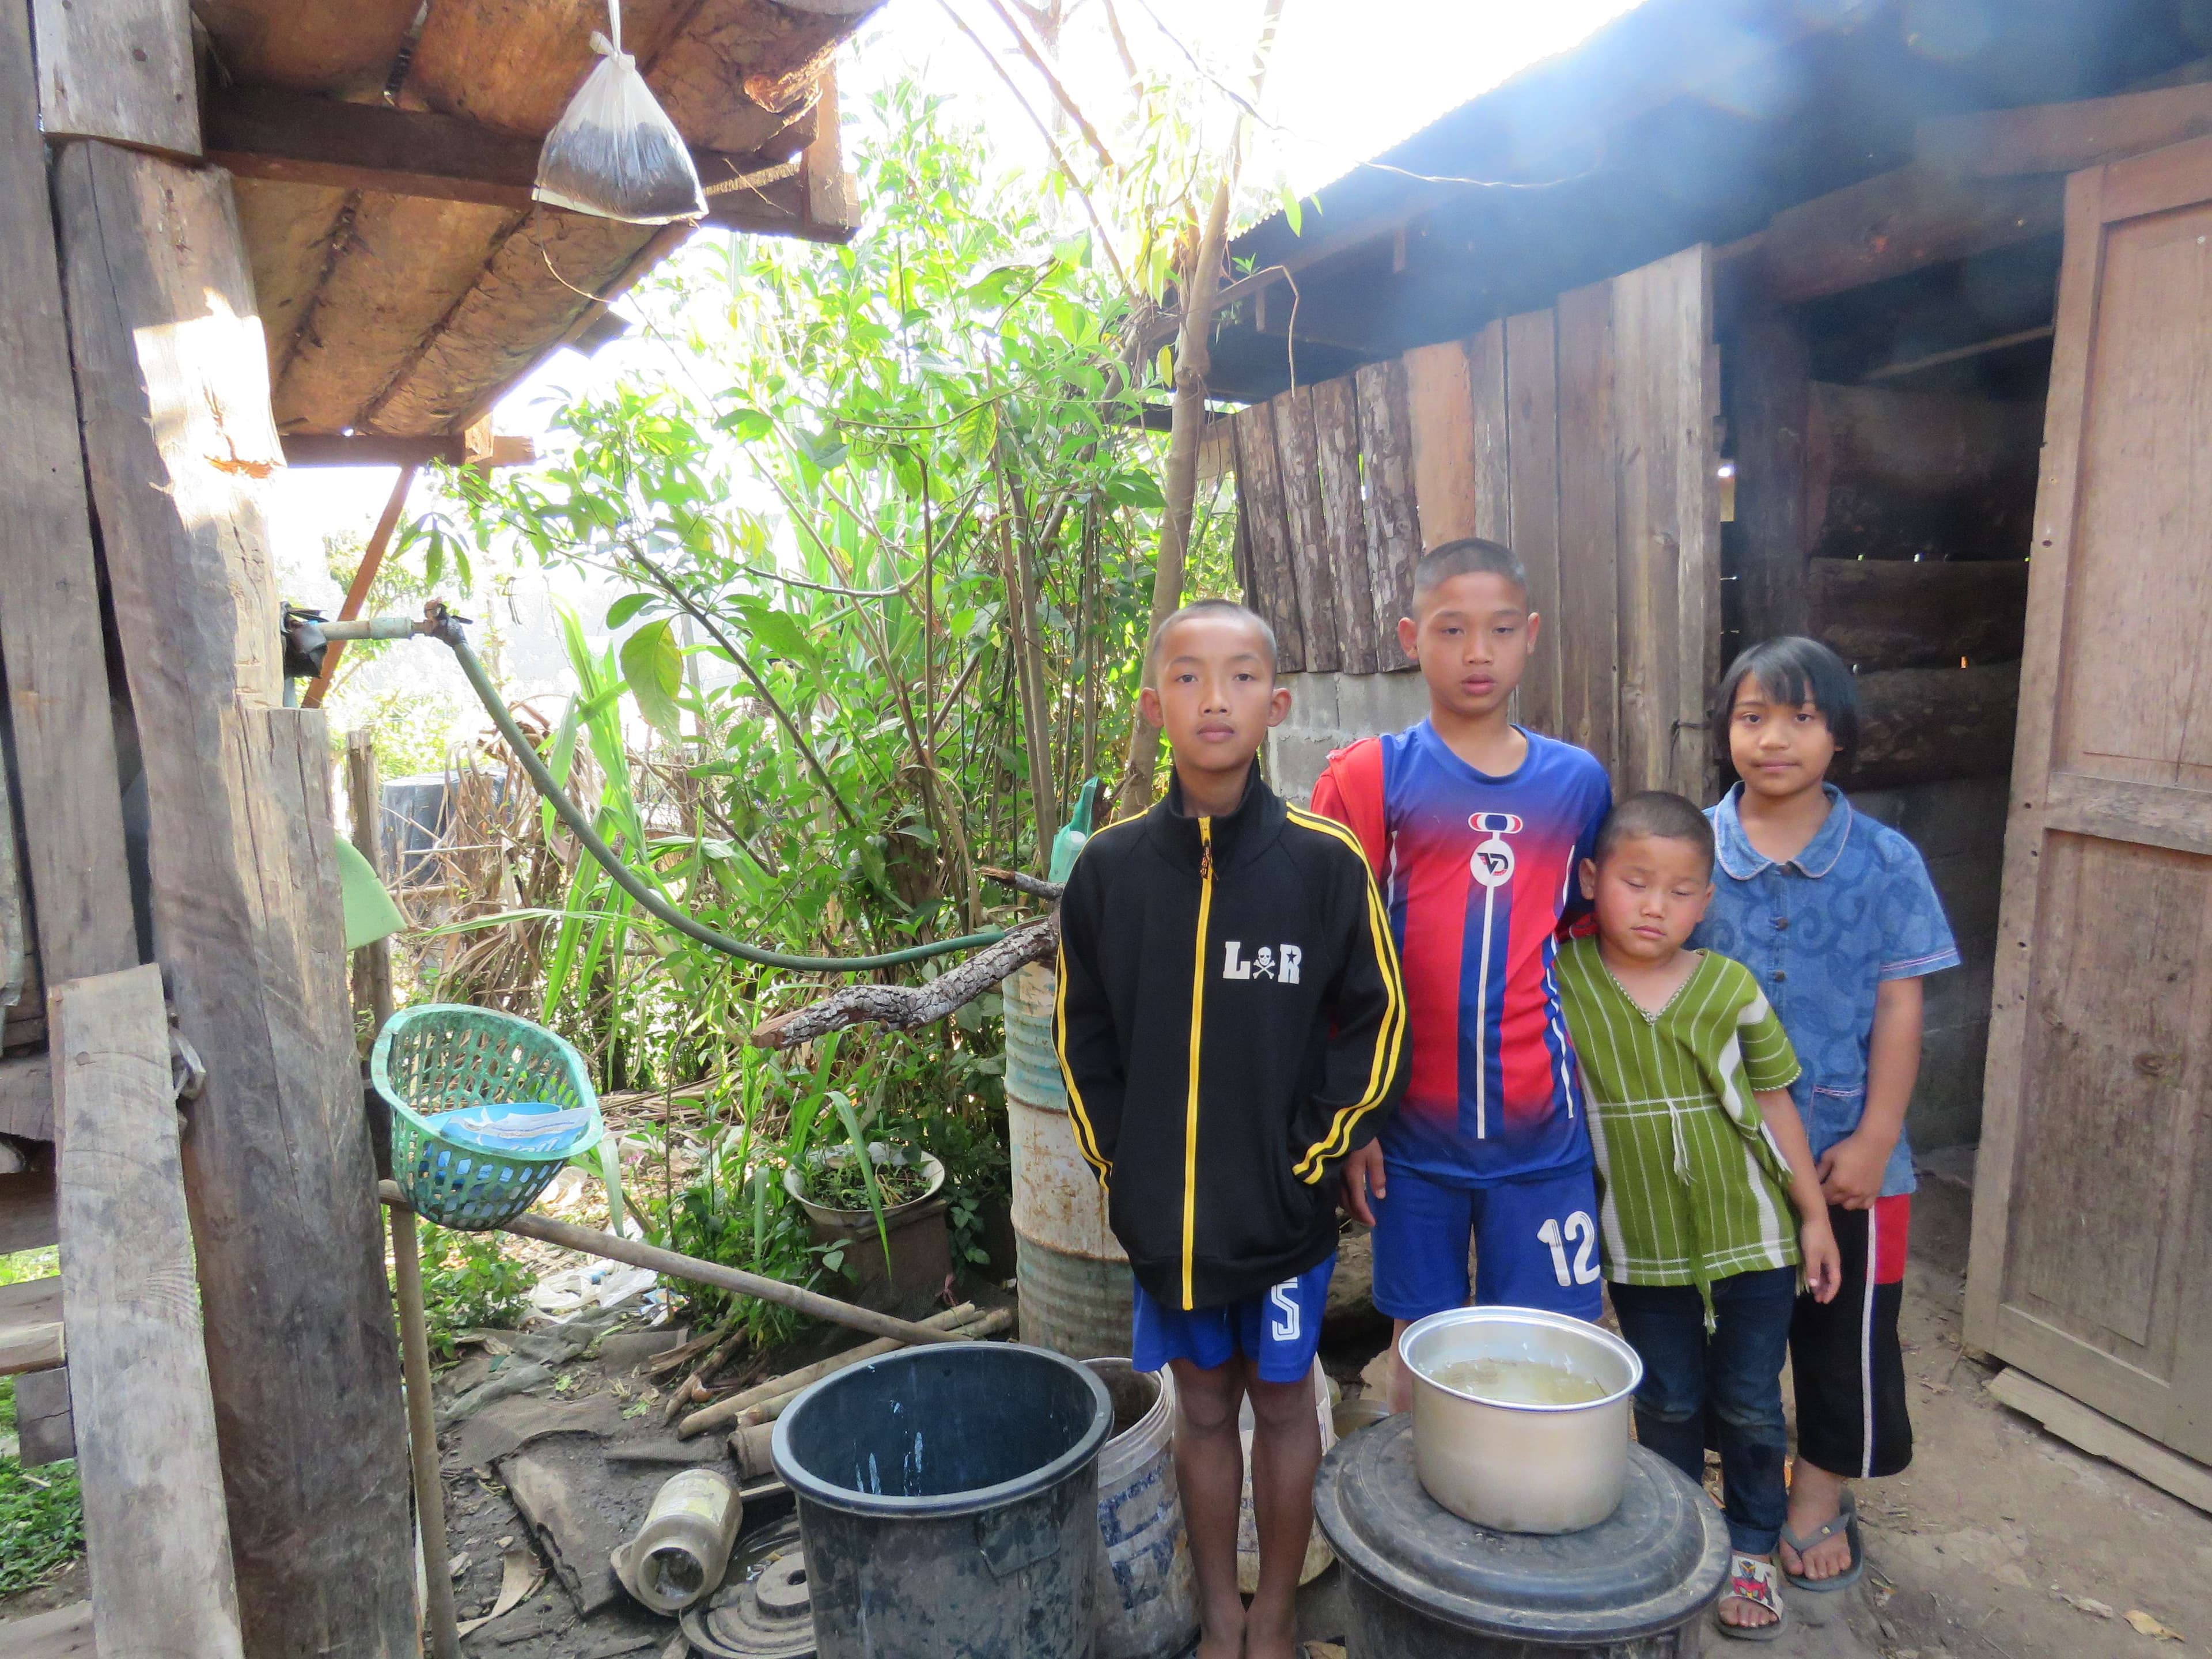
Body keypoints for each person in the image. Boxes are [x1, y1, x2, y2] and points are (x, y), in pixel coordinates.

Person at [1053, 597, 1409, 1659]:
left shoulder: (1324, 863)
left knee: (1286, 1408)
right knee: (1203, 1413)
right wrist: (1124, 1169)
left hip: (1285, 1219)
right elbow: (1084, 1037)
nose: (1217, 699)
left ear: (1277, 705)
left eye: (1243, 676)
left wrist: (1318, 1150)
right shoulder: (1109, 872)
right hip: (1169, 1228)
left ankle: (1279, 1618)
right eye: (1190, 677)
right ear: (1153, 706)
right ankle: (1220, 1617)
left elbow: (1380, 1018)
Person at [1309, 538, 1612, 1410]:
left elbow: (1582, 927)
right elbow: (1329, 958)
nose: (1478, 652)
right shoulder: (1370, 776)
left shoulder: (1577, 785)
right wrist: (1353, 1119)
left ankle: (1526, 1487)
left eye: (1500, 630)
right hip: (1409, 1136)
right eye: (1451, 629)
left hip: (1542, 1134)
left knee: (1550, 1349)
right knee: (1420, 1342)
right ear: (1412, 638)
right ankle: (1418, 1490)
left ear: (1531, 636)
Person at [1692, 636, 1960, 1596]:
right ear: (1726, 731)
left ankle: (1816, 1497)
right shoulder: (1689, 852)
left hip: (1853, 1155)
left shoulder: (1885, 861)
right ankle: (1742, 1492)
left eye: (1801, 718)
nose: (1775, 739)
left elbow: (1900, 1006)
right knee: (1725, 1338)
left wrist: (1879, 1137)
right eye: (1753, 717)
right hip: (1718, 1155)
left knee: (1846, 1339)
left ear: (1838, 734)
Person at [1556, 790, 1841, 1639]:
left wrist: (1814, 1217)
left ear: (1706, 901)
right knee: (1669, 1400)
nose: (1656, 906)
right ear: (1591, 879)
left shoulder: (1728, 986)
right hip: (1639, 1244)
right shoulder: (1562, 983)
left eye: (1681, 891)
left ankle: (1752, 1545)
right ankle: (1682, 1537)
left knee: (1751, 1401)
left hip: (1751, 1236)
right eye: (1636, 883)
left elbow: (1775, 1101)